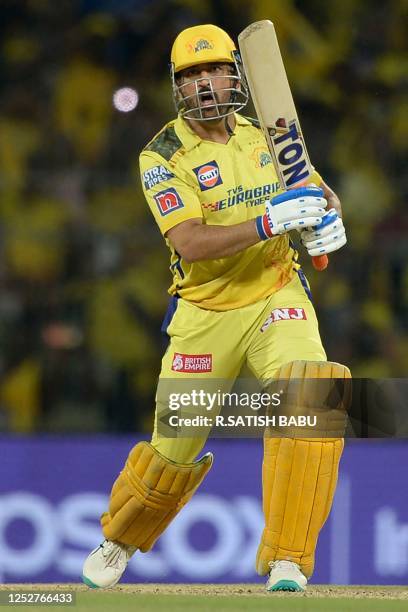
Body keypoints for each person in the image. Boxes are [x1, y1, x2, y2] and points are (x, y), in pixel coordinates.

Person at [82, 23, 349, 592]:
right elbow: (191, 244)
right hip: (206, 313)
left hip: (277, 293)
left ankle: (288, 560)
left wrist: (328, 219)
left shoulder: (266, 138)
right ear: (178, 87)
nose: (204, 85)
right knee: (173, 450)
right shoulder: (161, 155)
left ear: (235, 75)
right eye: (191, 76)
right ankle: (121, 537)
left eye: (214, 71)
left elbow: (317, 192)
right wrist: (270, 220)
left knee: (313, 393)